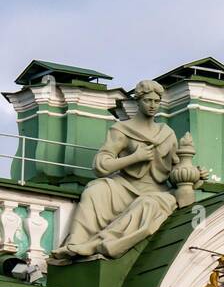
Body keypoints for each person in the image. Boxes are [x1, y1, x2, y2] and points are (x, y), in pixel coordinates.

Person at [51, 79, 182, 262]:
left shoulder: (167, 133)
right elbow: (101, 165)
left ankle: (99, 244)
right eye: (147, 101)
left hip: (156, 192)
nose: (152, 105)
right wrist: (135, 157)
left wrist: (194, 175)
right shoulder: (123, 129)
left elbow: (177, 168)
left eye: (156, 101)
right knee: (95, 190)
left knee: (148, 204)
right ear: (138, 101)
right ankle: (76, 243)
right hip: (125, 187)